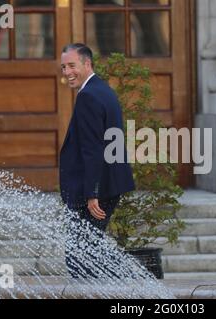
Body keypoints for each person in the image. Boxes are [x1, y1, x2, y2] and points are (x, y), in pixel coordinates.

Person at [59, 43, 135, 278]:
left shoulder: (89, 96)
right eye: (63, 67)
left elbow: (93, 149)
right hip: (106, 184)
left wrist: (92, 193)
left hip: (92, 191)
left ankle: (125, 282)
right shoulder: (102, 90)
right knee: (89, 252)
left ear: (87, 63)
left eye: (72, 65)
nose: (67, 72)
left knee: (79, 259)